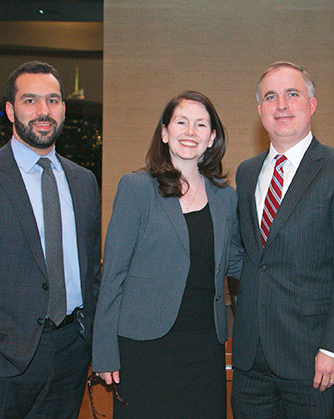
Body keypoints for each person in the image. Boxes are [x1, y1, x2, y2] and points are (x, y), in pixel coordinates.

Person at [0, 60, 101, 419]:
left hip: (71, 350)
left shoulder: (84, 182)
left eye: (53, 100)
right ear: (11, 110)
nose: (43, 111)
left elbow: (90, 272)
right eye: (30, 100)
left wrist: (90, 341)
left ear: (63, 109)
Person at [230, 61, 334, 418]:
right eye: (271, 97)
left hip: (314, 359)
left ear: (311, 104)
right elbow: (251, 258)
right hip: (251, 360)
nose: (281, 104)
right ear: (260, 110)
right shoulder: (247, 173)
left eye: (292, 94)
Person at [92, 91, 242, 418]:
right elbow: (113, 274)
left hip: (205, 346)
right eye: (182, 122)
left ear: (212, 137)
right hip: (145, 347)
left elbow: (235, 263)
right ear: (165, 132)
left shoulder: (224, 197)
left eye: (201, 125)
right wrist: (104, 351)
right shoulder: (136, 188)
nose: (191, 132)